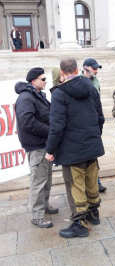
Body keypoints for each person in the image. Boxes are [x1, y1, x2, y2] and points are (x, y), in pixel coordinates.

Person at [45, 58, 105, 238]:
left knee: (74, 184)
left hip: (72, 149)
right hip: (91, 144)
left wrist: (50, 150)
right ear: (78, 69)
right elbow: (100, 117)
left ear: (62, 73)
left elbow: (57, 126)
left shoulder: (59, 93)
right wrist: (94, 137)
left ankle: (79, 223)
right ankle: (94, 213)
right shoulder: (91, 88)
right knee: (91, 180)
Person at [15, 68, 58, 228]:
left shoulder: (38, 95)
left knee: (46, 179)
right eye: (43, 79)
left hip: (44, 144)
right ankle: (37, 215)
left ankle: (44, 206)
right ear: (33, 81)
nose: (46, 81)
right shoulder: (26, 97)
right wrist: (52, 131)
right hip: (37, 146)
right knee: (38, 181)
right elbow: (28, 123)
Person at [80, 58, 107, 192]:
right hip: (82, 122)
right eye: (94, 68)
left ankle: (96, 181)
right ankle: (86, 183)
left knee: (94, 152)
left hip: (95, 121)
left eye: (97, 68)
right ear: (86, 68)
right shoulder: (78, 80)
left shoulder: (95, 81)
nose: (96, 71)